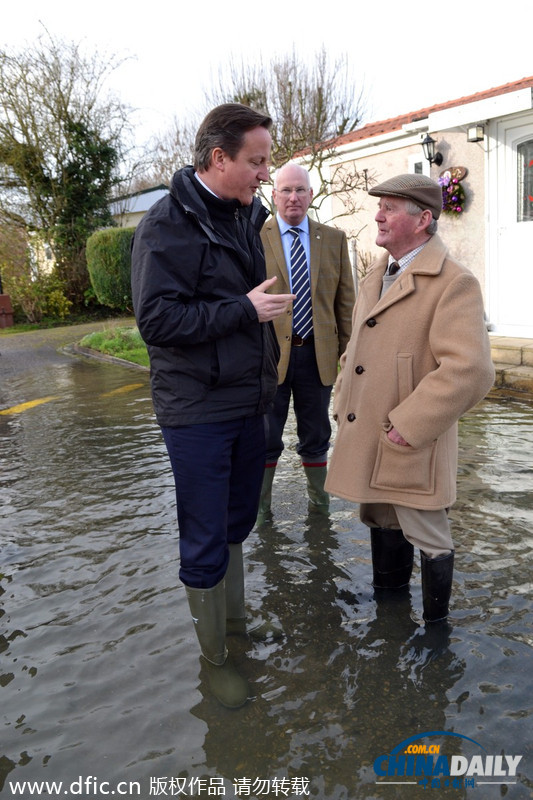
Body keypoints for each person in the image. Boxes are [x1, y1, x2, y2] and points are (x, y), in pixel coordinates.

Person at [130, 103, 295, 708]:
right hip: (197, 408)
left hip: (249, 400)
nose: (266, 173)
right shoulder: (164, 225)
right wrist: (243, 310)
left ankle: (235, 625)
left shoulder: (244, 213)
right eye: (257, 161)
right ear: (218, 158)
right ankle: (215, 659)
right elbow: (156, 321)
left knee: (236, 523)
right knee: (204, 536)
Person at [325, 173, 495, 623]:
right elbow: (356, 349)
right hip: (370, 432)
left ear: (422, 220)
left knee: (428, 533)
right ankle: (390, 618)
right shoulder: (376, 275)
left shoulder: (454, 282)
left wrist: (408, 426)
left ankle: (436, 635)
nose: (378, 216)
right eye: (379, 206)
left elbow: (471, 370)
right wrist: (342, 398)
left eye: (389, 208)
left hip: (409, 440)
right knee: (381, 519)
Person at [258, 163, 355, 517]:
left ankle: (320, 511)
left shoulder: (334, 239)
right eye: (286, 190)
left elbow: (346, 305)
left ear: (311, 195)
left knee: (317, 436)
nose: (293, 197)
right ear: (274, 195)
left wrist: (350, 359)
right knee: (265, 438)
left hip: (318, 356)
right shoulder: (255, 237)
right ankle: (261, 514)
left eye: (300, 190)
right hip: (269, 358)